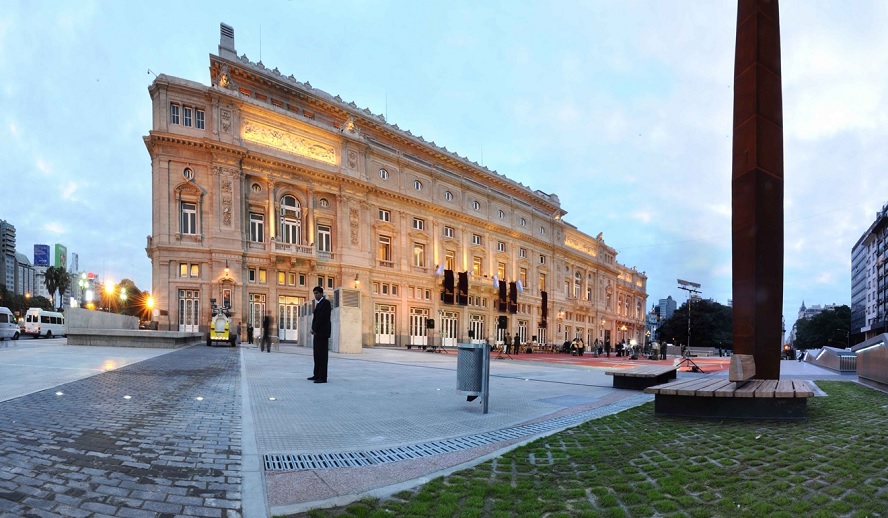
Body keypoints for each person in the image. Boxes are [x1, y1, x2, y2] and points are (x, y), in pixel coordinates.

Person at [308, 286, 332, 383]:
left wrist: (314, 328)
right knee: (316, 355)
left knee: (322, 355)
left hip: (322, 333)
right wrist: (313, 329)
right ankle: (316, 374)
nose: (315, 295)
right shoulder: (318, 304)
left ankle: (323, 377)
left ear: (322, 293)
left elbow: (322, 318)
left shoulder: (325, 303)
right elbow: (316, 318)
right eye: (314, 293)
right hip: (317, 333)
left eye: (317, 293)